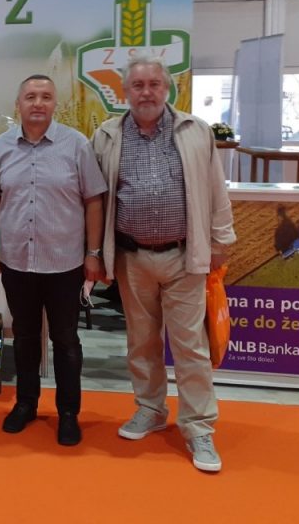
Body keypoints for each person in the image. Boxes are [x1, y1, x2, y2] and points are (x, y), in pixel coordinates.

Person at [90, 54, 236, 473]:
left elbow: (216, 190)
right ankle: (151, 409)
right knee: (141, 342)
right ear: (124, 92)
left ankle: (199, 427)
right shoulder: (107, 135)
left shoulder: (194, 131)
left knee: (190, 345)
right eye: (137, 86)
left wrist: (221, 241)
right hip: (131, 257)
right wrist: (96, 253)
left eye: (154, 84)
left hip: (184, 256)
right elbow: (96, 200)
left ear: (167, 88)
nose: (146, 92)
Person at [0, 75, 106, 446]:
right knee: (25, 336)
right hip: (17, 261)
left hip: (65, 263)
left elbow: (93, 200)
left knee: (66, 340)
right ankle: (26, 403)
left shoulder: (76, 145)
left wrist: (93, 253)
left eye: (46, 97)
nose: (38, 103)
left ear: (55, 104)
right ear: (18, 104)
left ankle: (68, 413)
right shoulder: (2, 146)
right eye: (31, 97)